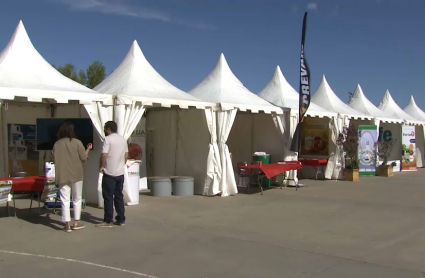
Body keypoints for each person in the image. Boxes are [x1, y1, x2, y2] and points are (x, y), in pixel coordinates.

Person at [53, 122, 92, 233]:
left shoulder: (57, 144)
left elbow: (54, 159)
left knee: (64, 200)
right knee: (77, 198)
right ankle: (76, 222)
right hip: (76, 174)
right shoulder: (77, 143)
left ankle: (67, 224)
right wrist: (88, 149)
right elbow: (83, 158)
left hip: (62, 175)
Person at [96, 121, 128, 228]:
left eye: (105, 128)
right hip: (120, 172)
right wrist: (122, 164)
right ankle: (121, 218)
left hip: (109, 172)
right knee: (119, 195)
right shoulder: (122, 139)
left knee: (108, 196)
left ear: (108, 129)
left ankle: (108, 220)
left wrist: (101, 166)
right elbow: (126, 155)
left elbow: (104, 154)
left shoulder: (108, 139)